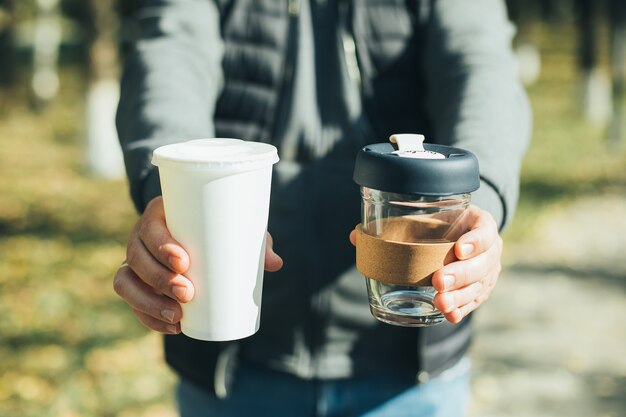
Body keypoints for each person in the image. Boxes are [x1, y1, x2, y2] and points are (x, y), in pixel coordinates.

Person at [114, 0, 531, 416]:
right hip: (232, 369)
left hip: (408, 370)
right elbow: (171, 54)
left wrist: (480, 200)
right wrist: (166, 194)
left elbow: (478, 65)